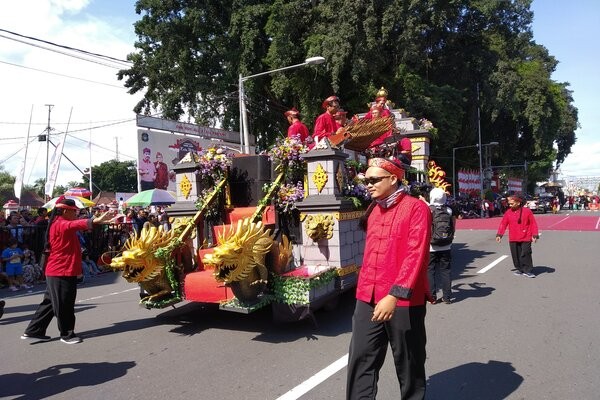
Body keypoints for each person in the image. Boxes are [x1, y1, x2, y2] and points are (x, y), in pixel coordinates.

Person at [346, 156, 432, 400]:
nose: (368, 185)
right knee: (360, 357)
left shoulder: (416, 208)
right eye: (366, 180)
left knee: (409, 362)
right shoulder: (373, 209)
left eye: (374, 180)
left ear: (393, 179)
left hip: (403, 301)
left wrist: (395, 294)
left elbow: (416, 254)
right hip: (367, 296)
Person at [21, 198, 112, 344]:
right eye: (74, 211)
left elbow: (75, 225)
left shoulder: (58, 223)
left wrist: (94, 222)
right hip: (61, 271)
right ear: (64, 211)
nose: (76, 213)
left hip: (58, 270)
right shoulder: (60, 223)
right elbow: (76, 224)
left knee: (50, 303)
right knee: (65, 304)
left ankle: (33, 330)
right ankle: (67, 334)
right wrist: (93, 221)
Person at [495, 194, 539, 278]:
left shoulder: (527, 212)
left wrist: (535, 235)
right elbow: (503, 224)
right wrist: (499, 235)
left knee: (526, 253)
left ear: (518, 203)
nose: (510, 205)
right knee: (516, 255)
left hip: (526, 236)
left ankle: (527, 270)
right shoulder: (508, 212)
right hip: (513, 237)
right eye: (509, 204)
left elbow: (533, 223)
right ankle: (520, 269)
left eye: (512, 203)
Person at [427, 187, 456, 304]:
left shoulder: (429, 209)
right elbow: (453, 226)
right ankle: (447, 297)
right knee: (446, 271)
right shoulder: (449, 210)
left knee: (430, 271)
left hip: (431, 246)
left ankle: (432, 297)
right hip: (446, 244)